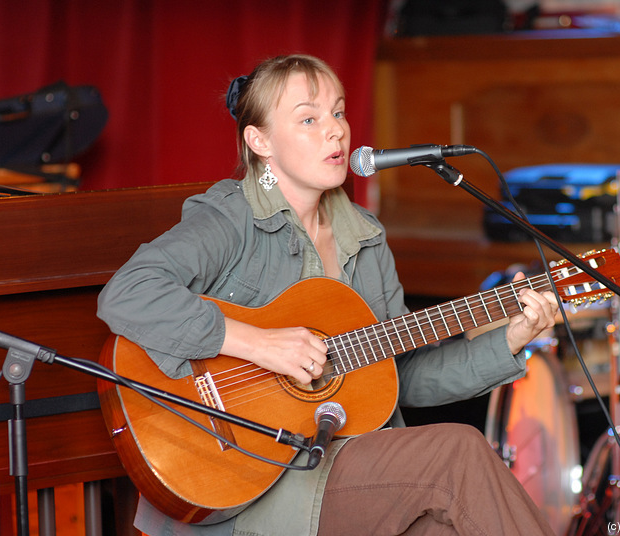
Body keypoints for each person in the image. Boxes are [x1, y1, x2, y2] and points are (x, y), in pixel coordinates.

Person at [97, 54, 560, 536]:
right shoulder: (231, 217)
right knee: (458, 451)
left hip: (345, 464)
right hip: (248, 475)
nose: (335, 131)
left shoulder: (364, 237)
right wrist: (259, 344)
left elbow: (401, 378)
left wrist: (509, 340)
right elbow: (127, 293)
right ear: (259, 141)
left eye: (338, 112)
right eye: (309, 118)